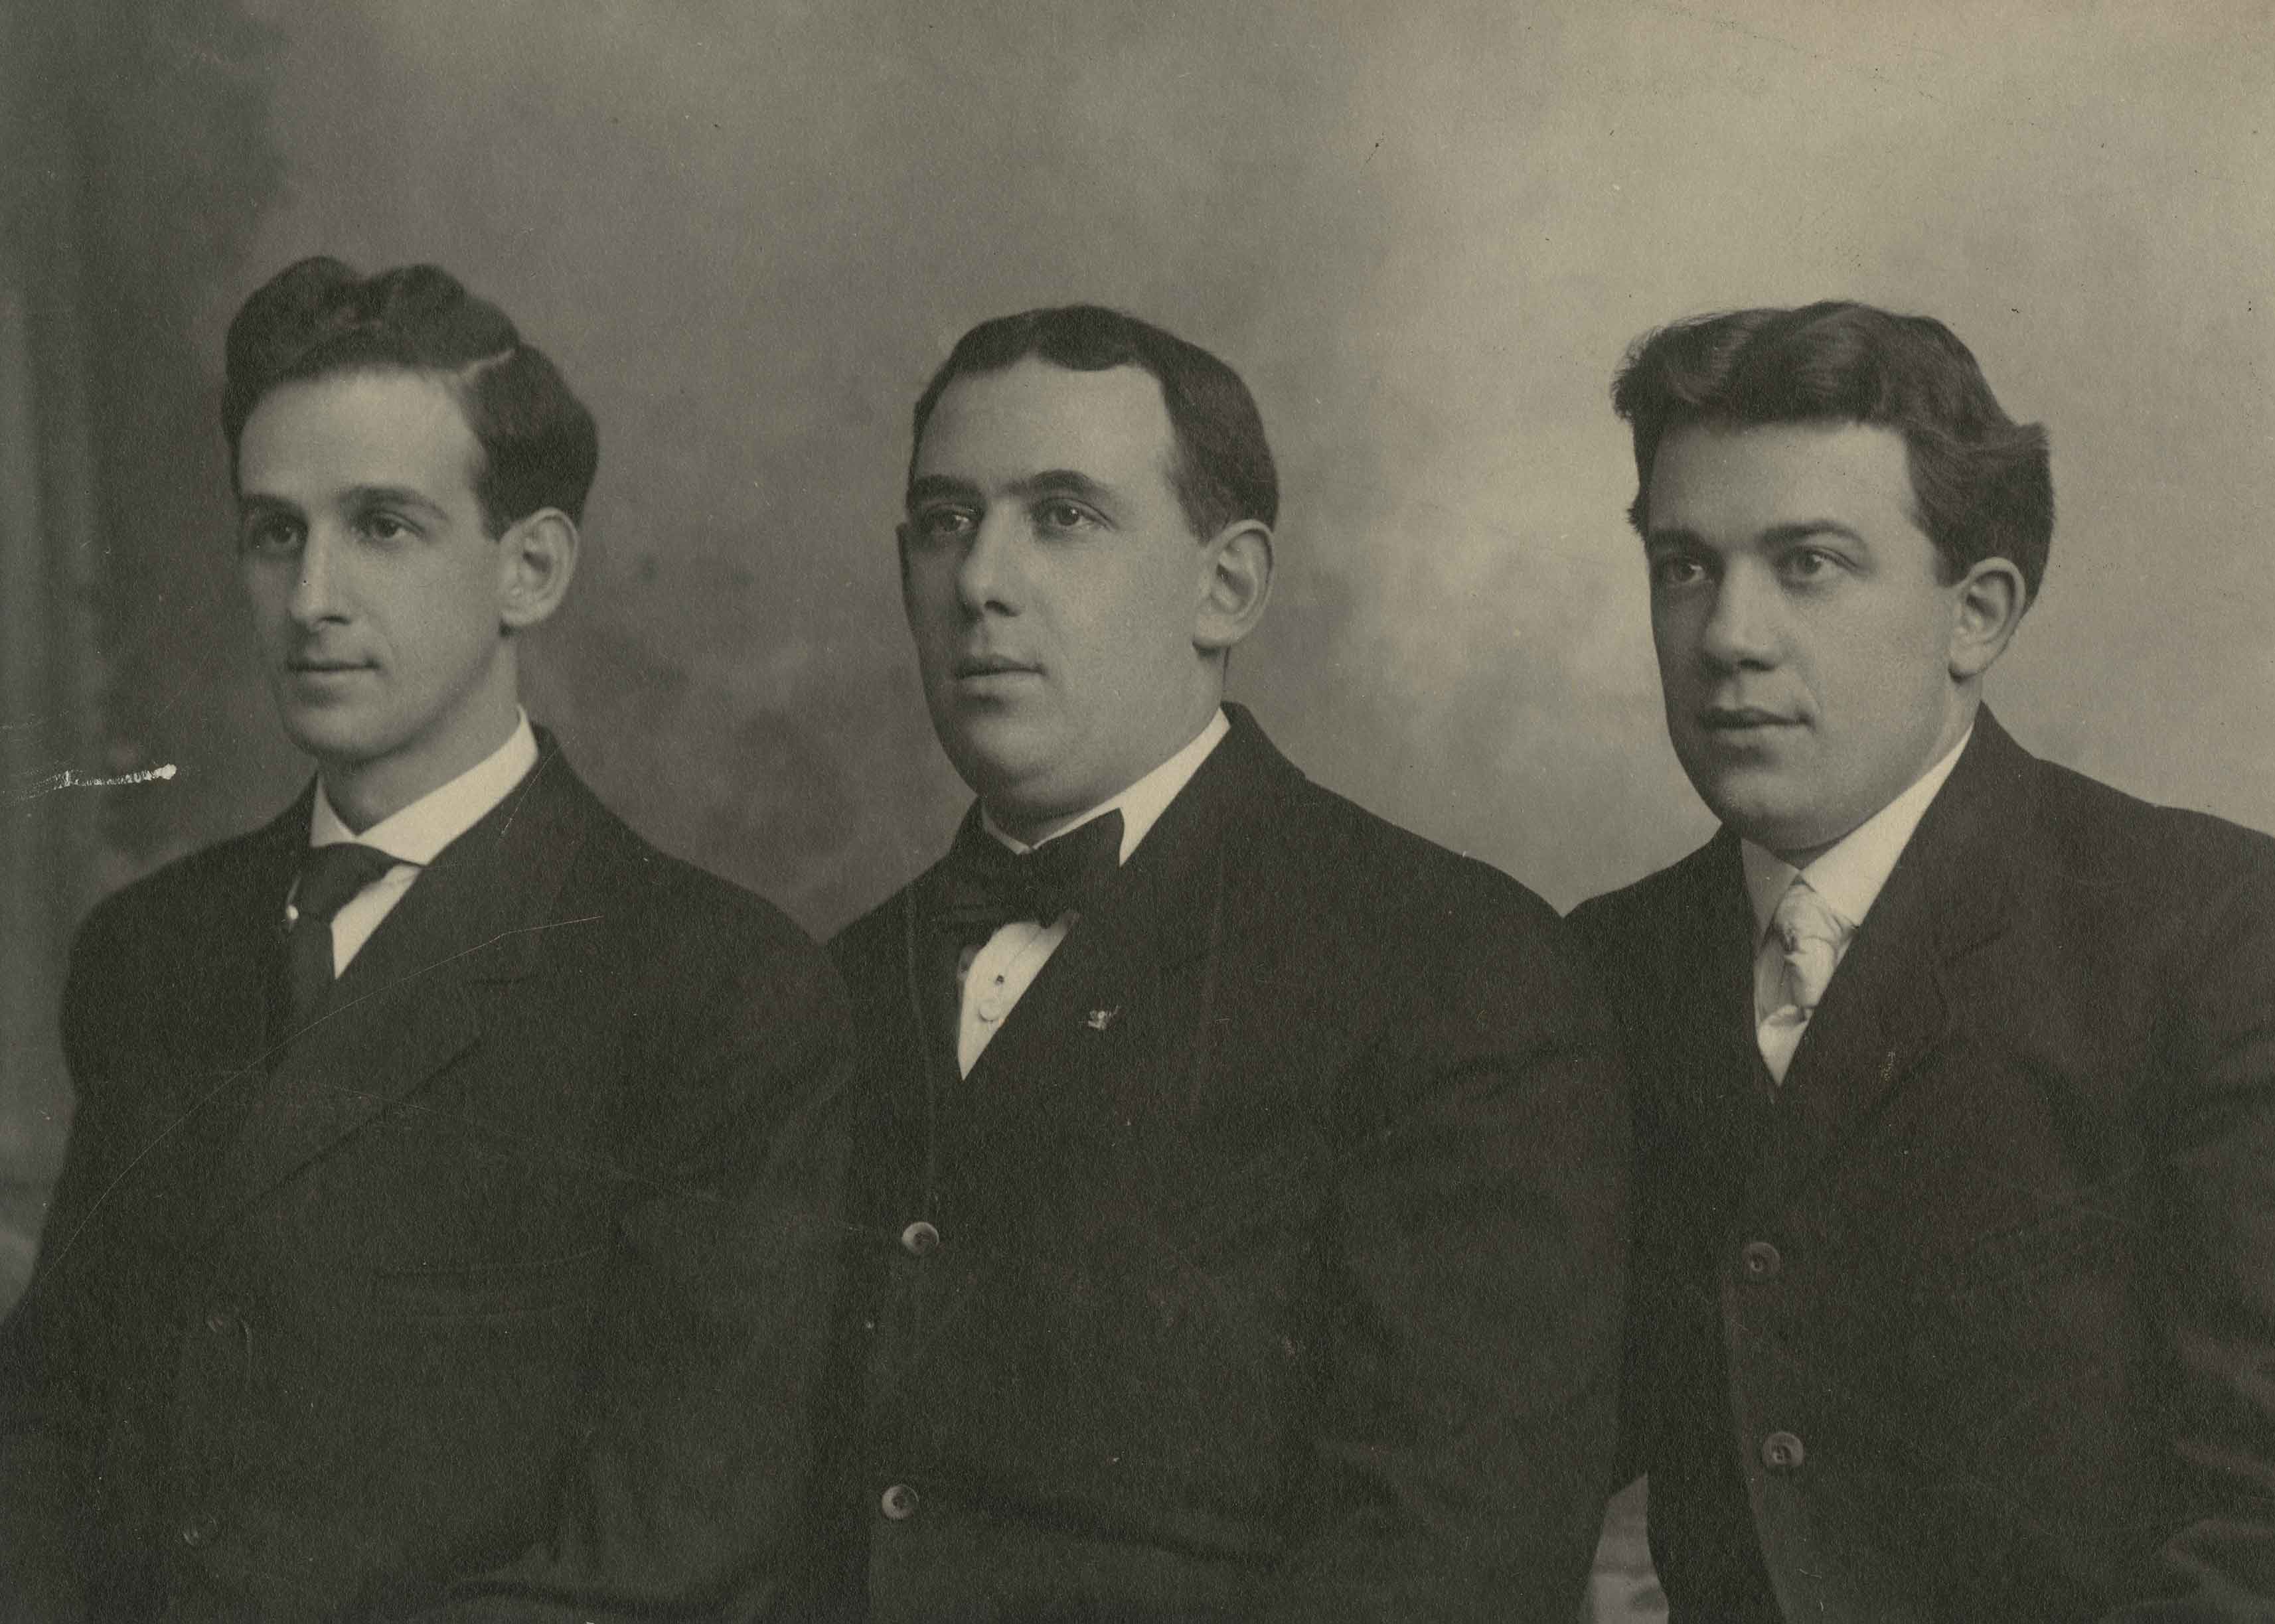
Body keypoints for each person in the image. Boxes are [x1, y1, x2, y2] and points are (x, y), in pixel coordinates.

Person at [0, 256, 852, 1621]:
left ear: (531, 567)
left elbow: (666, 1548)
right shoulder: (151, 952)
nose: (311, 597)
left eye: (382, 527)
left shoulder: (714, 991)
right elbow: (50, 1430)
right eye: (274, 534)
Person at [822, 304, 1628, 1620]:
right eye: (945, 520)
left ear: (1228, 586)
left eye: (1063, 516)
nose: (979, 581)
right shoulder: (828, 989)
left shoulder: (1452, 970)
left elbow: (1450, 1552)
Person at [1572, 300, 2275, 1620]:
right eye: (1683, 567)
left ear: (1976, 615)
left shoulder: (2215, 938)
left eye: (1807, 563)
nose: (1726, 636)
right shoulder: (1596, 973)